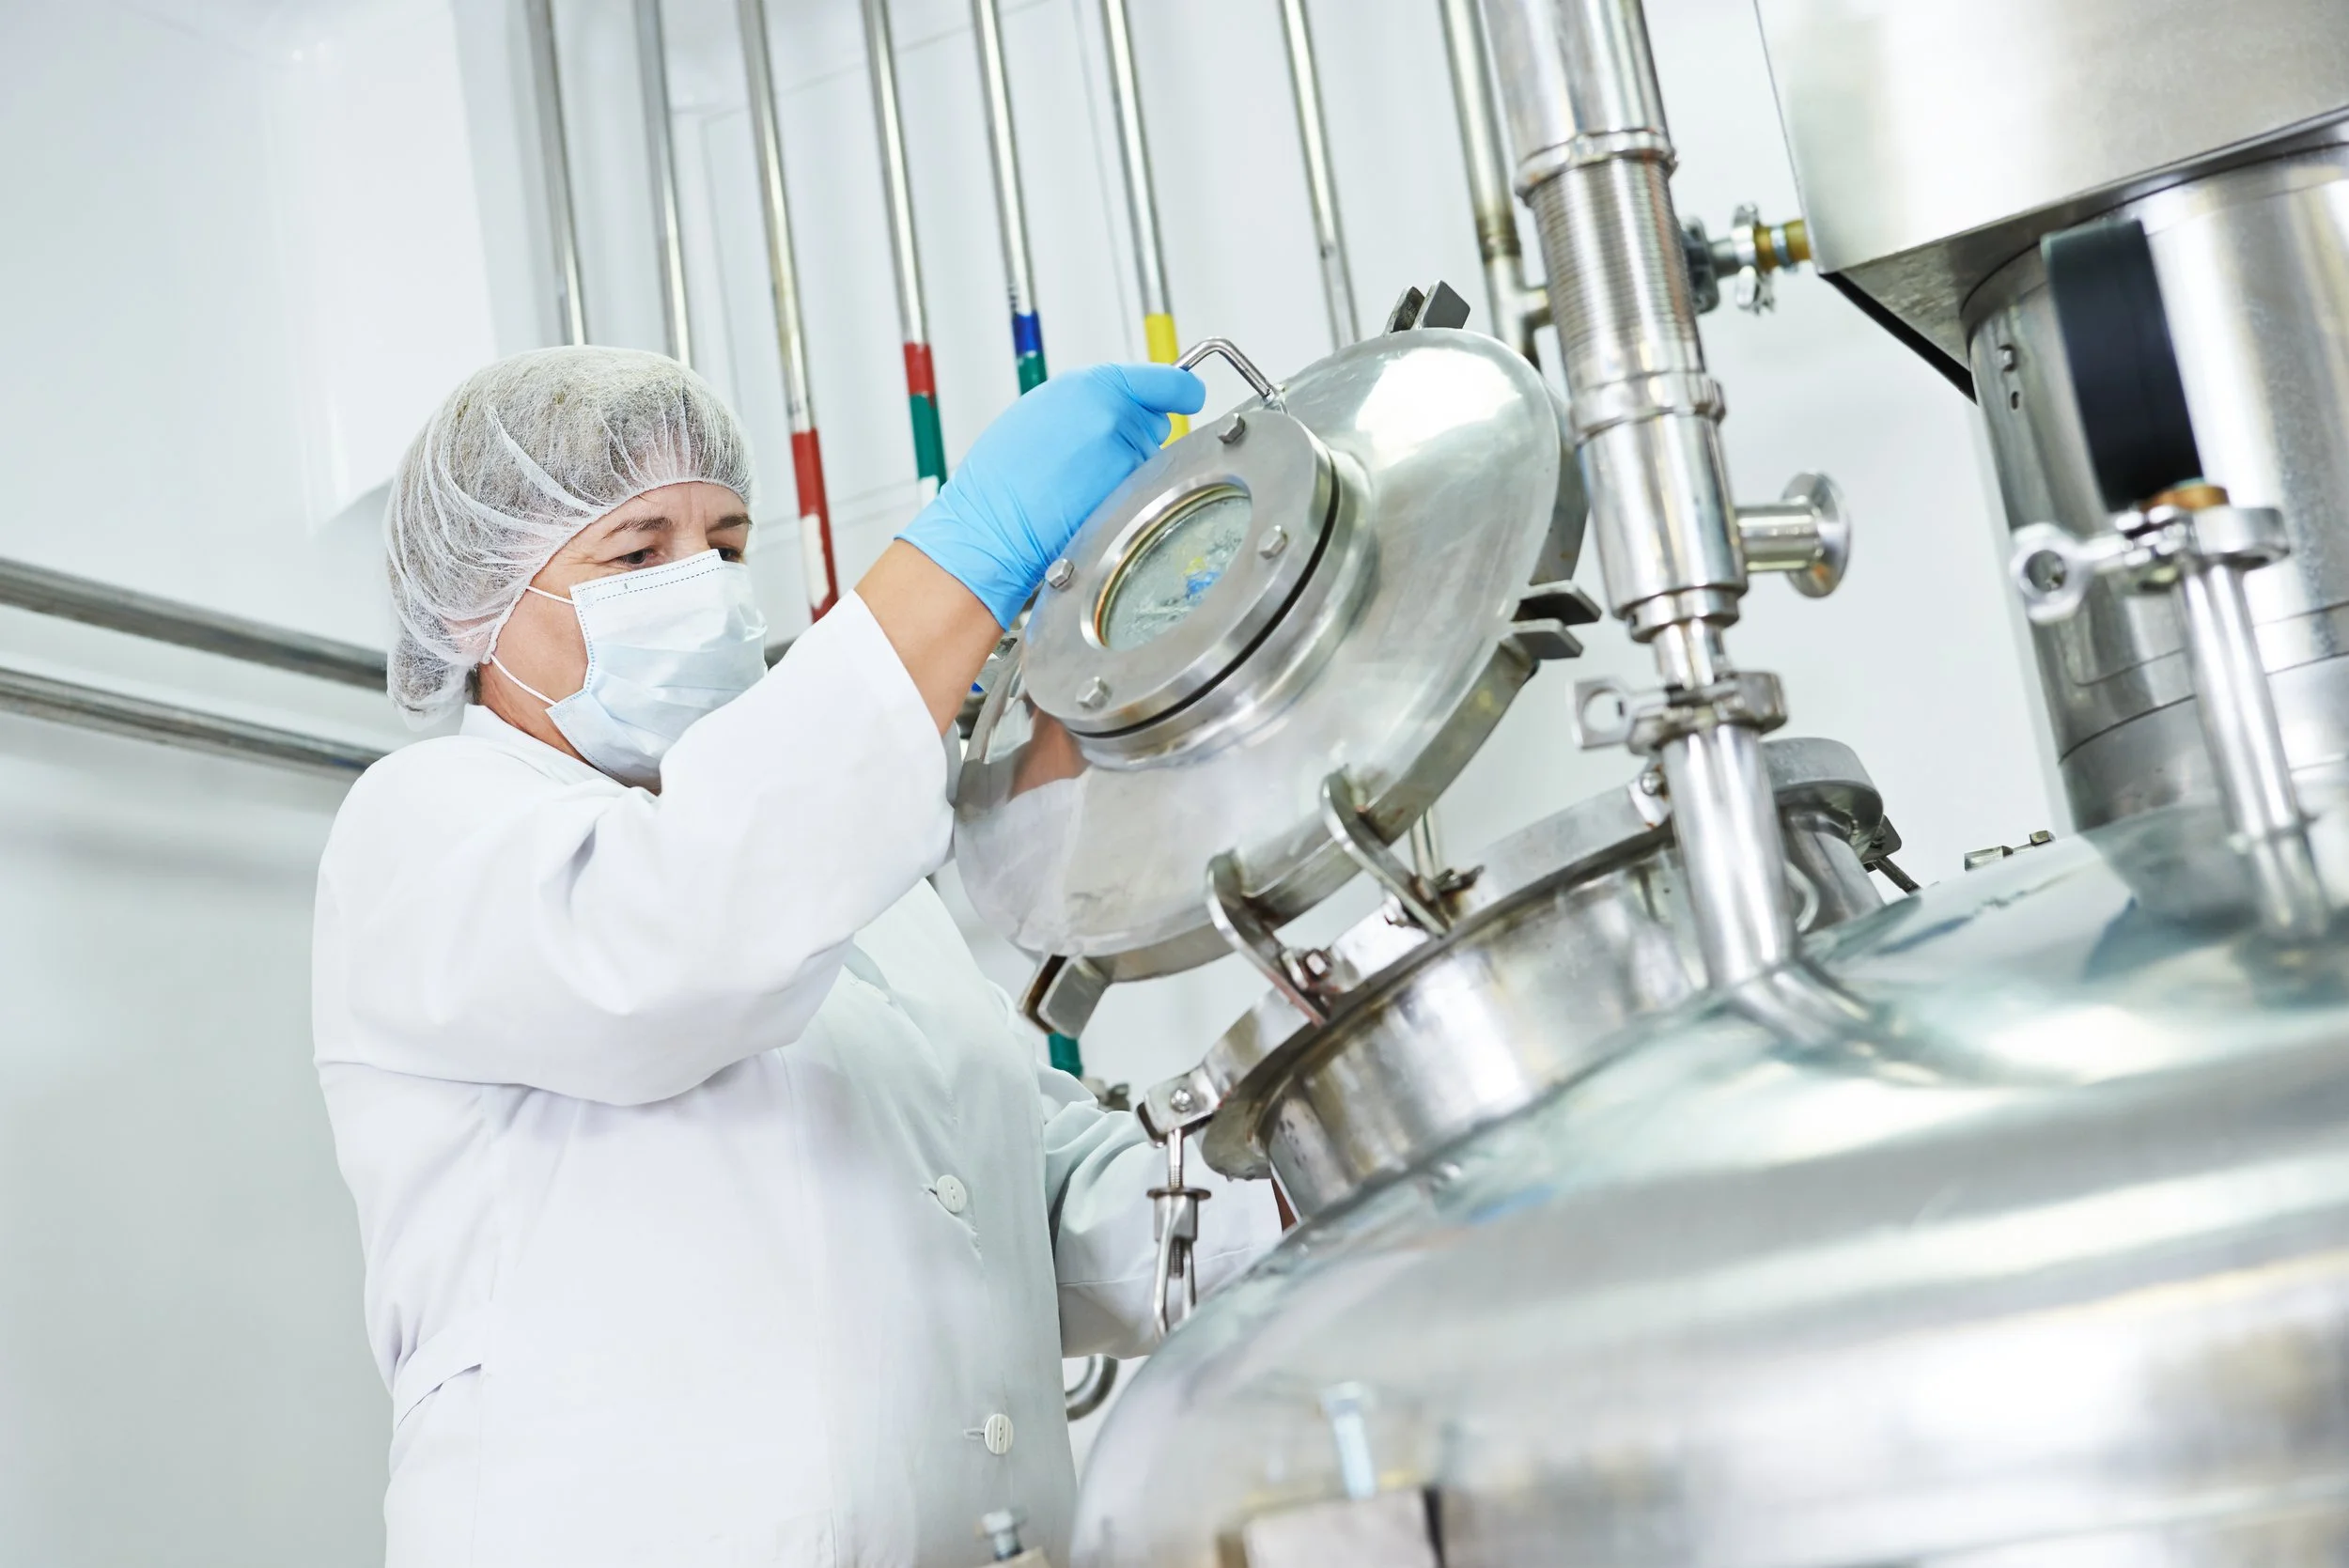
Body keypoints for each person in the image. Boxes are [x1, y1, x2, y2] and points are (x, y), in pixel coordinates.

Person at [313, 346, 1278, 1568]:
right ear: (476, 603)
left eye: (725, 541)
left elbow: (1024, 1200)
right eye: (635, 551)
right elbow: (679, 942)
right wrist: (968, 554)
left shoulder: (845, 871)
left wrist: (1323, 1163)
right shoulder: (432, 825)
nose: (703, 584)